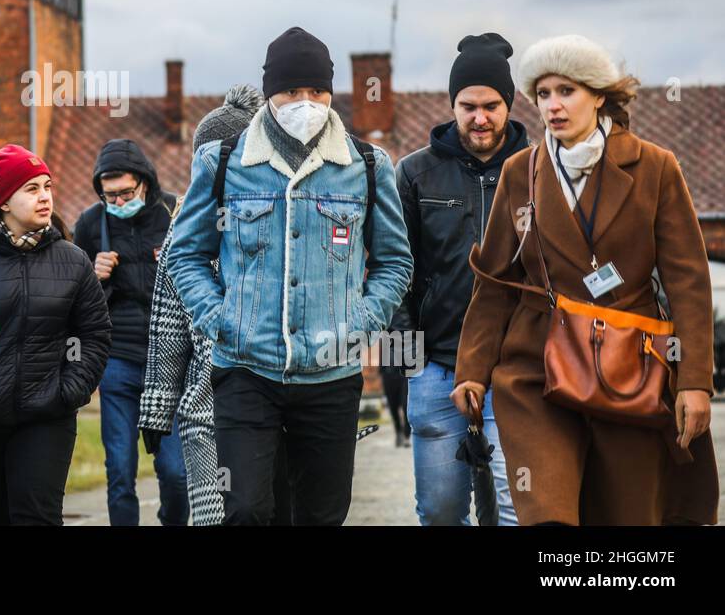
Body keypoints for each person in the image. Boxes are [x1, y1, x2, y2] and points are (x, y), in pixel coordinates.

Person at [454, 34, 718, 525]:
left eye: (567, 91)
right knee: (546, 514)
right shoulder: (520, 171)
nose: (553, 105)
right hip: (536, 372)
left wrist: (696, 381)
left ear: (599, 95)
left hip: (631, 365)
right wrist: (471, 369)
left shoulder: (656, 167)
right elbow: (493, 283)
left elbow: (688, 283)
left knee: (628, 518)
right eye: (544, 93)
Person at [170, 26, 413, 525]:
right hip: (245, 369)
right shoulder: (223, 163)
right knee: (246, 510)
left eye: (317, 91)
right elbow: (185, 255)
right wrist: (221, 318)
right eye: (291, 91)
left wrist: (361, 323)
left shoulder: (367, 166)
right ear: (269, 94)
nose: (306, 102)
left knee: (322, 514)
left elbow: (394, 262)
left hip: (331, 373)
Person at [393, 33, 528, 524]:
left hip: (517, 368)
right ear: (452, 105)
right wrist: (412, 360)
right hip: (438, 366)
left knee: (517, 508)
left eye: (491, 105)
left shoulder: (537, 170)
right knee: (442, 510)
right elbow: (395, 267)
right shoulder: (414, 174)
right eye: (467, 105)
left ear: (509, 104)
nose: (480, 117)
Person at [0, 145, 111, 525]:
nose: (44, 197)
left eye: (47, 186)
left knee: (37, 518)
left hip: (46, 416)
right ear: (2, 200)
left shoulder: (72, 260)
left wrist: (70, 388)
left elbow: (94, 334)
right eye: (31, 188)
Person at [138, 84, 264, 526]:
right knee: (215, 517)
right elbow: (168, 328)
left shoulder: (279, 221)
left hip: (271, 400)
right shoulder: (184, 230)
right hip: (206, 408)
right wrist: (156, 409)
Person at [73, 138, 187, 526]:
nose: (119, 203)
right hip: (118, 360)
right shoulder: (91, 223)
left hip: (170, 362)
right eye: (110, 196)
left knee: (176, 473)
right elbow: (75, 298)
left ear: (145, 183)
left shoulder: (176, 212)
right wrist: (93, 274)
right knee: (120, 470)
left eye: (126, 193)